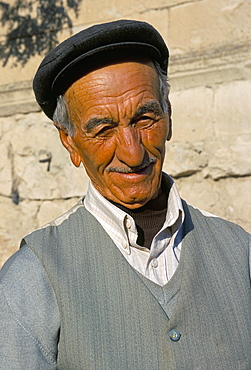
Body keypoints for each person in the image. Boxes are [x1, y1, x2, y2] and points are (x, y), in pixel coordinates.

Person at [1, 19, 250, 369]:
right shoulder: (32, 278)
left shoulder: (240, 253)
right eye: (103, 130)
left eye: (145, 118)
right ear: (69, 142)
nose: (133, 154)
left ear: (169, 116)